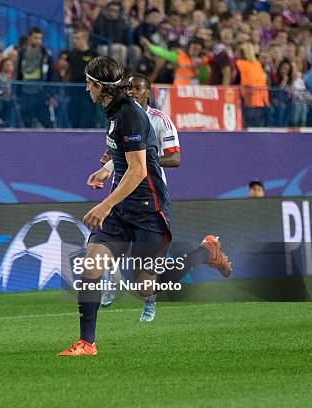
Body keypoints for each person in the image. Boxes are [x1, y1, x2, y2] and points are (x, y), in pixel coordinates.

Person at [59, 56, 172, 356]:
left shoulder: (130, 115)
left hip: (148, 208)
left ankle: (205, 252)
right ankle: (87, 342)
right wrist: (107, 169)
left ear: (99, 86)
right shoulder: (114, 112)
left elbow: (139, 170)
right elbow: (126, 158)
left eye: (88, 84)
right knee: (91, 267)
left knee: (142, 286)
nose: (86, 90)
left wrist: (104, 205)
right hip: (121, 209)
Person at [98, 74, 231, 310]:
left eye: (138, 88)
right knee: (106, 242)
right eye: (128, 88)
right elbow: (119, 153)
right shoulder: (120, 117)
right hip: (121, 193)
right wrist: (108, 165)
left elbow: (174, 158)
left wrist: (143, 160)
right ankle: (110, 284)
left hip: (149, 199)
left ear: (148, 92)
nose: (132, 92)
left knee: (147, 280)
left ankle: (204, 252)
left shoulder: (159, 120)